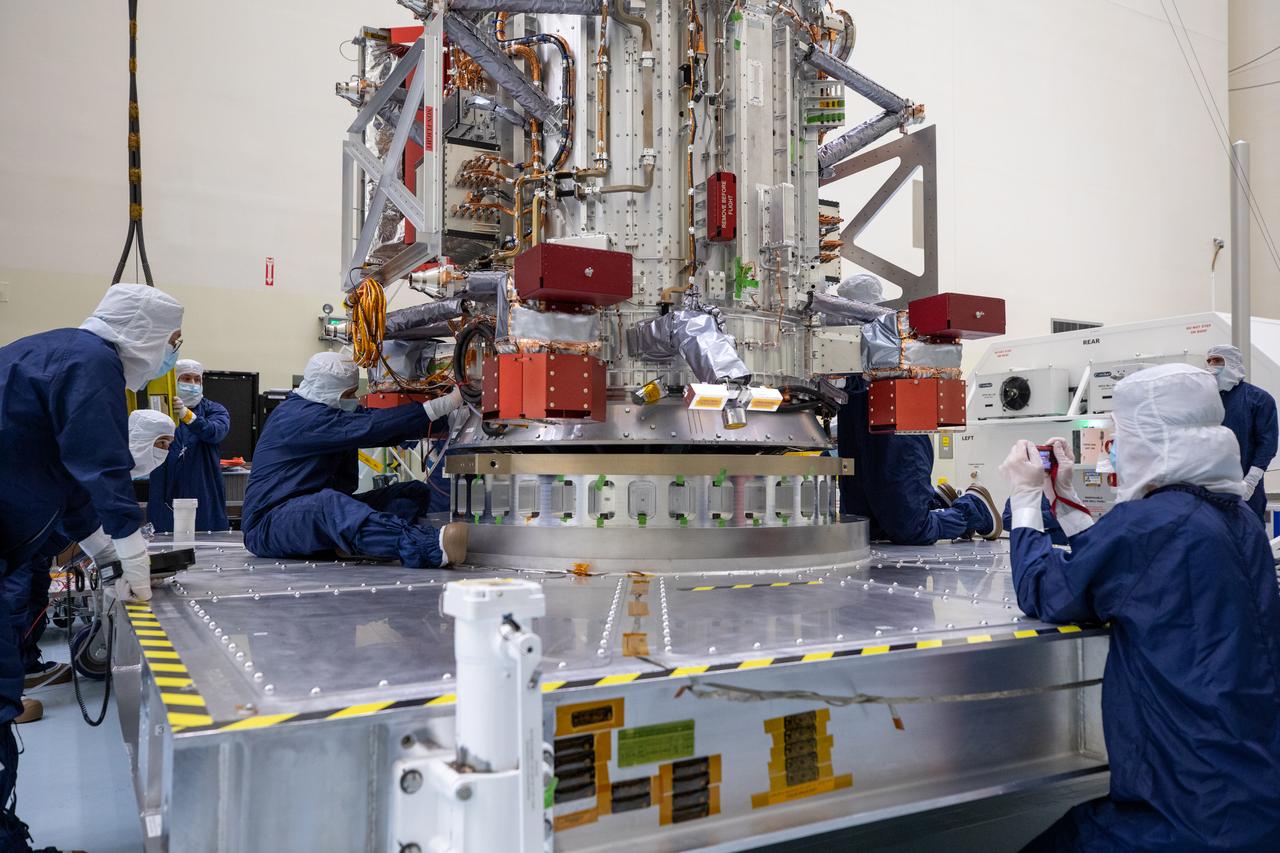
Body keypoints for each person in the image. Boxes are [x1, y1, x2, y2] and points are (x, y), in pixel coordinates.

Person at [999, 363, 1280, 851]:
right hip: (1254, 794)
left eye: (1121, 434)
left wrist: (1024, 499)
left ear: (1148, 439)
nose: (1114, 447)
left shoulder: (1152, 525)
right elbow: (1122, 573)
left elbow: (1045, 590)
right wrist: (1064, 500)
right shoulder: (1237, 520)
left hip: (1183, 814)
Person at [0, 283, 183, 853]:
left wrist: (105, 552)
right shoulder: (90, 363)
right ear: (147, 333)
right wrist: (131, 548)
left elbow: (71, 482)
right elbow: (100, 466)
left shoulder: (54, 352)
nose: (170, 355)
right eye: (172, 342)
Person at [7, 409, 175, 725]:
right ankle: (5, 697)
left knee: (33, 601)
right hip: (17, 540)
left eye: (168, 445)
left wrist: (127, 557)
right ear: (138, 439)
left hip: (37, 548)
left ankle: (25, 666)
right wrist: (118, 560)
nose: (164, 452)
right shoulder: (98, 466)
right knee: (12, 606)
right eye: (160, 443)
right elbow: (83, 516)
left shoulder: (115, 472)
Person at [242, 352, 469, 567]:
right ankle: (427, 546)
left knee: (413, 493)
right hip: (269, 525)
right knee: (329, 506)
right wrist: (446, 403)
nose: (355, 400)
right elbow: (372, 427)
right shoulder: (298, 417)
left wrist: (453, 417)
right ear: (328, 391)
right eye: (349, 395)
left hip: (310, 514)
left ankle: (365, 542)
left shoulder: (328, 412)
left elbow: (377, 422)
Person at [838, 376, 1001, 544]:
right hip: (852, 404)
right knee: (865, 527)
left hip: (894, 400)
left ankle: (975, 508)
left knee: (914, 528)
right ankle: (934, 505)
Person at [148, 358, 231, 533]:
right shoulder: (158, 411)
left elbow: (215, 432)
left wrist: (187, 416)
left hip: (204, 489)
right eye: (186, 379)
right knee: (165, 537)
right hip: (166, 490)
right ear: (175, 380)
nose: (192, 384)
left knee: (206, 539)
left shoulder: (214, 410)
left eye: (197, 379)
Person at [1207, 344, 1277, 524]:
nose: (1212, 365)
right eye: (1209, 361)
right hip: (1208, 487)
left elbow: (1267, 445)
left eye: (1218, 360)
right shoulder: (1205, 399)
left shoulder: (1258, 399)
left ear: (1232, 362)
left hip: (1246, 490)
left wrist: (1251, 481)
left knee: (1248, 532)